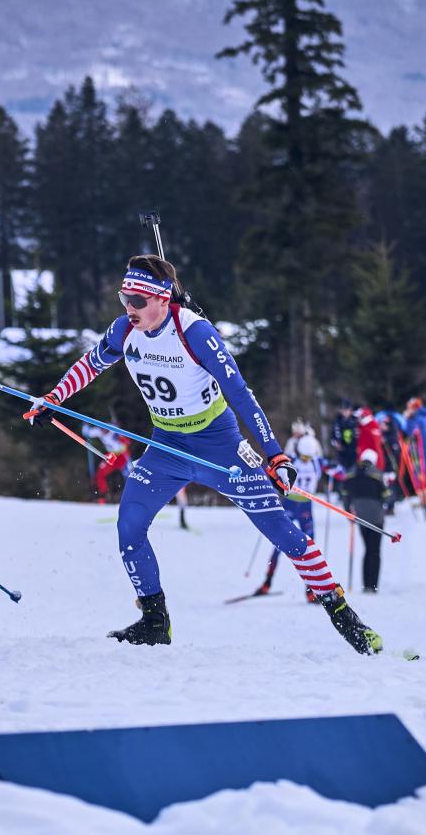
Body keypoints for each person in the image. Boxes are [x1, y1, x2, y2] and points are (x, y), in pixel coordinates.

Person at [24, 254, 384, 655]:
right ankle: (155, 621)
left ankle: (346, 618)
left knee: (281, 531)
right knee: (129, 525)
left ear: (163, 299)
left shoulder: (194, 332)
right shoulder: (126, 329)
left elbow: (240, 393)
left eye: (138, 301)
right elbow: (92, 363)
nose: (129, 308)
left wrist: (275, 455)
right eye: (124, 297)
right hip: (166, 446)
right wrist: (53, 398)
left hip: (221, 443)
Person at [254, 420, 325, 599]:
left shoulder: (304, 459)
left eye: (308, 457)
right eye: (304, 457)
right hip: (291, 504)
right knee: (280, 543)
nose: (306, 460)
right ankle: (267, 582)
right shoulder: (314, 461)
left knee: (308, 547)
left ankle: (310, 590)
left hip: (303, 505)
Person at [340, 448, 391, 592]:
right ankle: (372, 585)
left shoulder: (352, 473)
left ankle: (366, 584)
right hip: (376, 516)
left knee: (367, 548)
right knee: (374, 550)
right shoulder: (377, 474)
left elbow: (344, 492)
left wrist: (348, 510)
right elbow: (386, 495)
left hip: (360, 515)